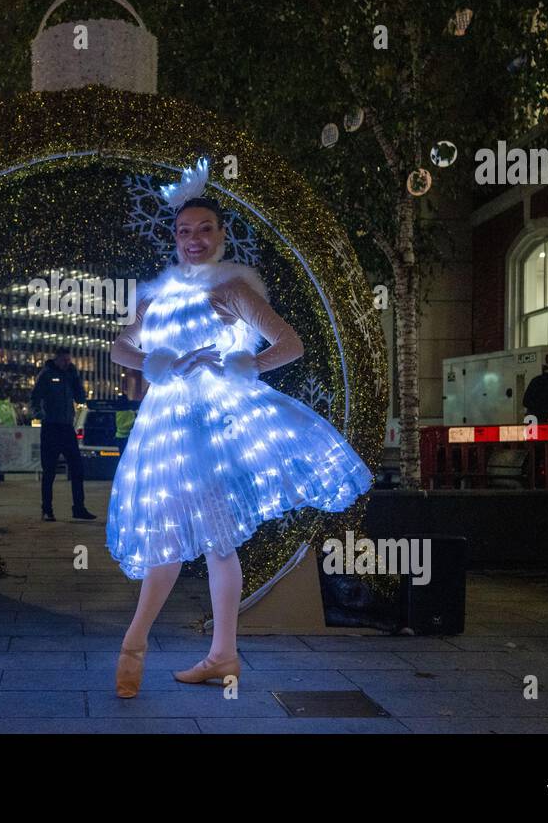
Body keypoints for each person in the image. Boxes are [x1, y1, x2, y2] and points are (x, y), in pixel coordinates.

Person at [105, 158, 374, 698]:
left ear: (222, 235)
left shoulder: (231, 289)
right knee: (199, 542)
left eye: (205, 229)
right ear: (174, 238)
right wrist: (158, 364)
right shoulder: (156, 296)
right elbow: (120, 346)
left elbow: (289, 344)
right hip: (166, 427)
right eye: (184, 231)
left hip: (213, 425)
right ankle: (219, 654)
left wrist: (236, 365)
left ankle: (142, 644)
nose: (194, 239)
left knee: (197, 541)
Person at [30, 347, 96, 521]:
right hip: (51, 427)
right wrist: (40, 414)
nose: (68, 363)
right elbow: (34, 397)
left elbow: (80, 399)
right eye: (65, 360)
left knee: (77, 469)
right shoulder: (47, 375)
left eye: (69, 360)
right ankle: (47, 509)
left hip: (67, 427)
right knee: (49, 471)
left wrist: (76, 379)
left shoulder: (70, 375)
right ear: (57, 359)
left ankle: (79, 508)